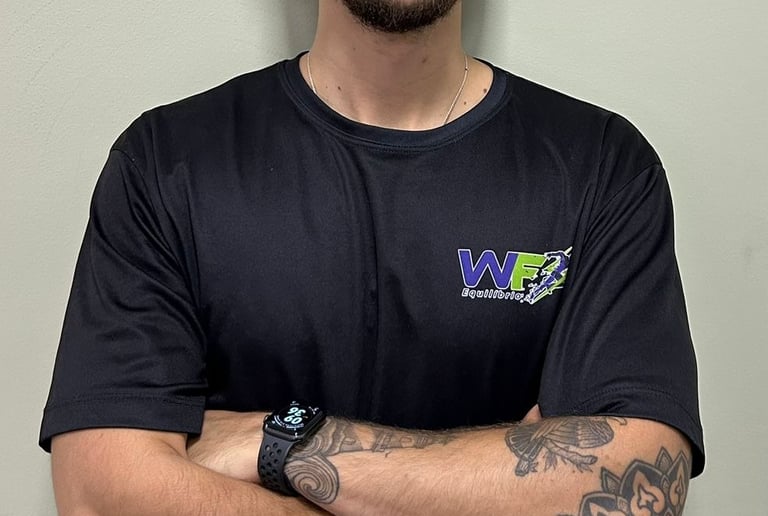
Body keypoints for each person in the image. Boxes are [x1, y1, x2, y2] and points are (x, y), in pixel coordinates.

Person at [40, 1, 704, 514]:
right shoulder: (168, 164)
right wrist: (499, 487)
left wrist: (281, 441)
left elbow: (637, 489)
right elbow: (101, 494)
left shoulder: (601, 169)